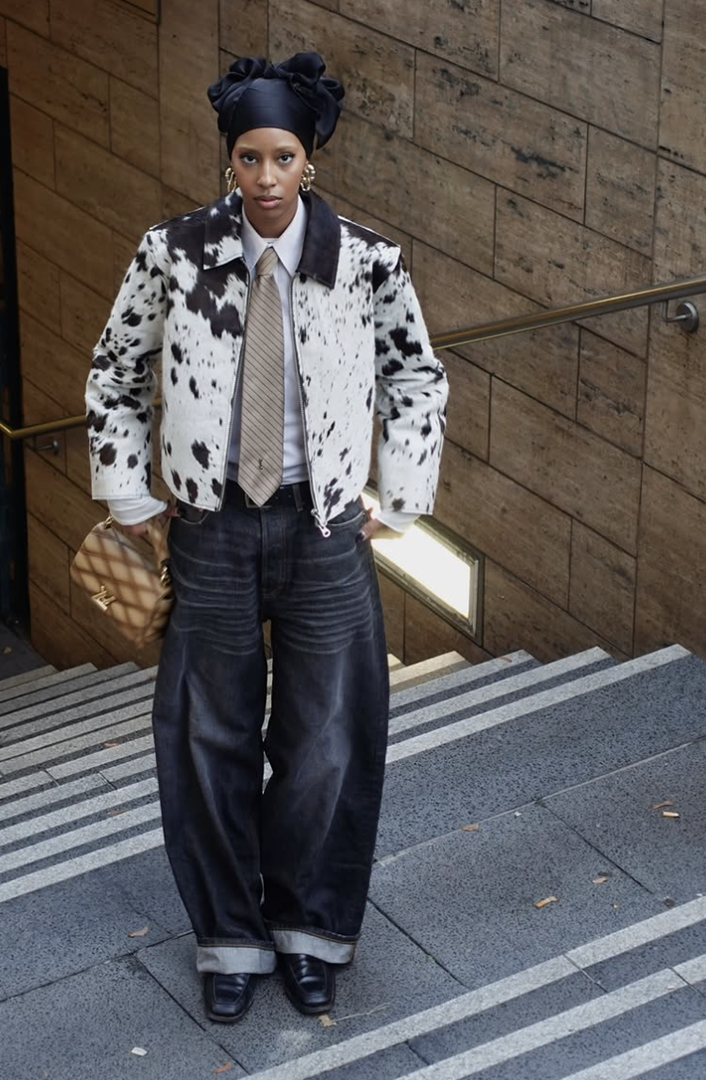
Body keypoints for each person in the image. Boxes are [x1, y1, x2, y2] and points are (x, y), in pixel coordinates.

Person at [82, 53, 447, 1024]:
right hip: (211, 530)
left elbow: (418, 377)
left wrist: (400, 496)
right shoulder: (174, 252)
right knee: (208, 739)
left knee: (329, 741)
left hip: (325, 529)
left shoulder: (367, 262)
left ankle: (310, 931)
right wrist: (130, 497)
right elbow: (115, 373)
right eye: (250, 157)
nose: (267, 176)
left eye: (284, 156)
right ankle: (231, 939)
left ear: (308, 161)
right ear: (230, 162)